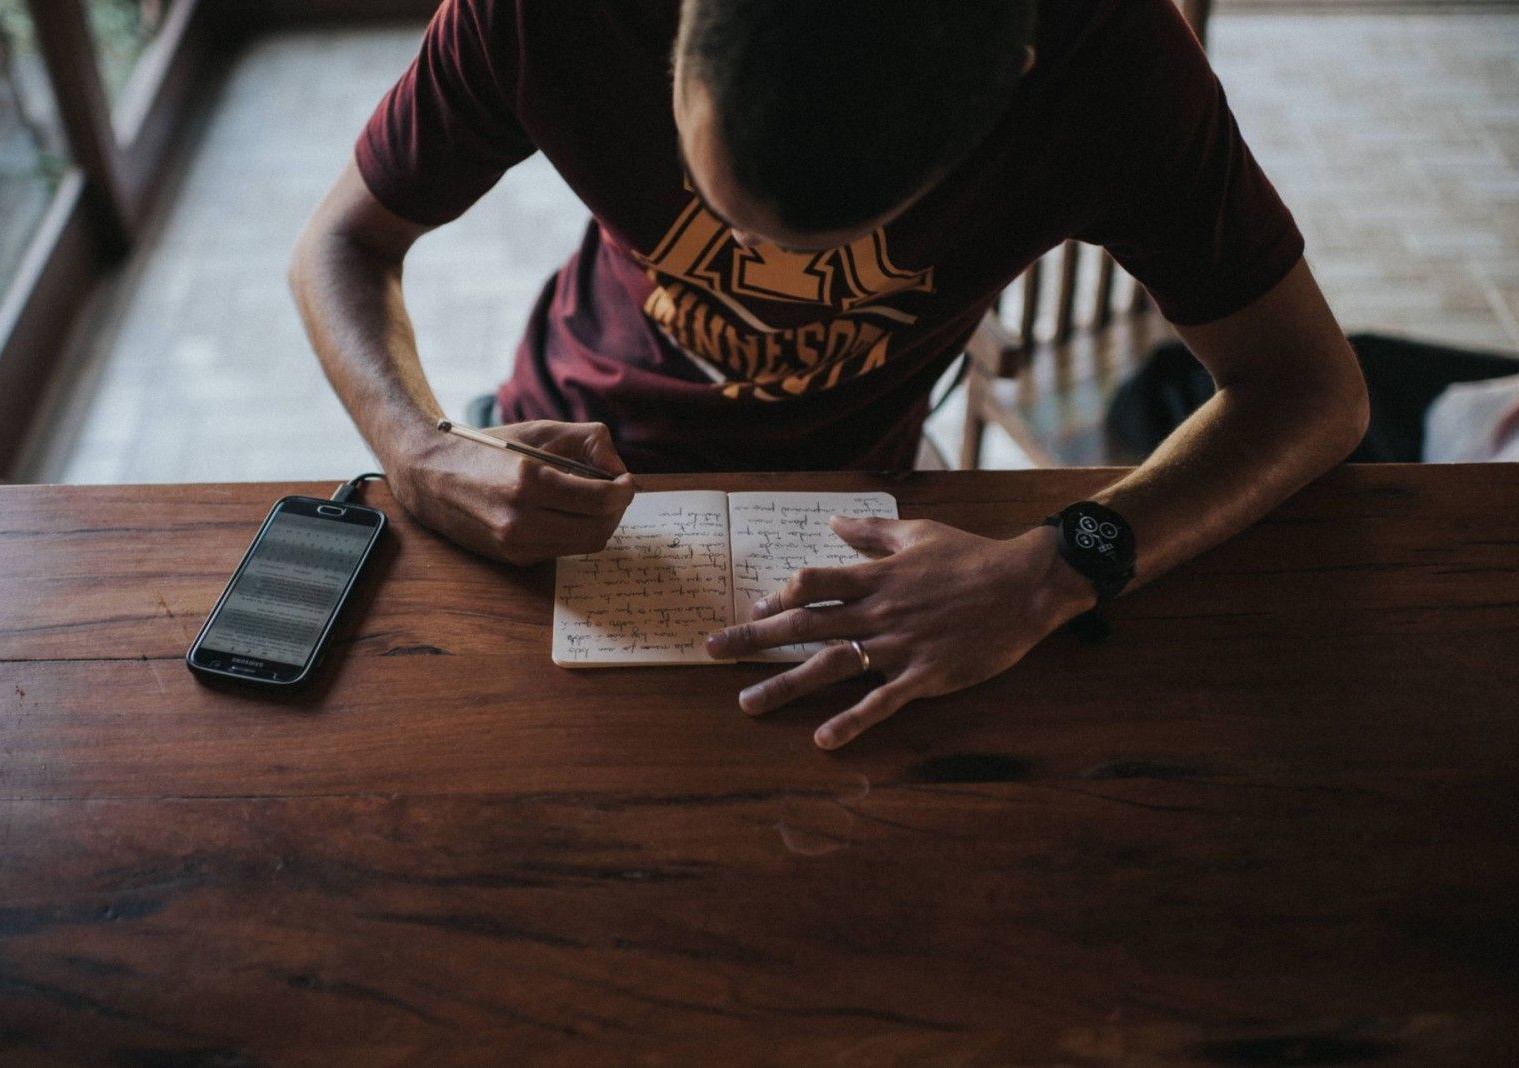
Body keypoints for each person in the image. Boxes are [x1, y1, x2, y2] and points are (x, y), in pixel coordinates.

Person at [290, 0, 1370, 749]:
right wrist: (417, 447)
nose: (774, 280)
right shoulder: (550, 13)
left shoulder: (1112, 65)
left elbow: (1309, 392)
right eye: (719, 214)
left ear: (1015, 85)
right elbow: (338, 243)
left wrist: (1057, 566)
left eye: (834, 246)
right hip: (549, 446)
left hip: (867, 505)